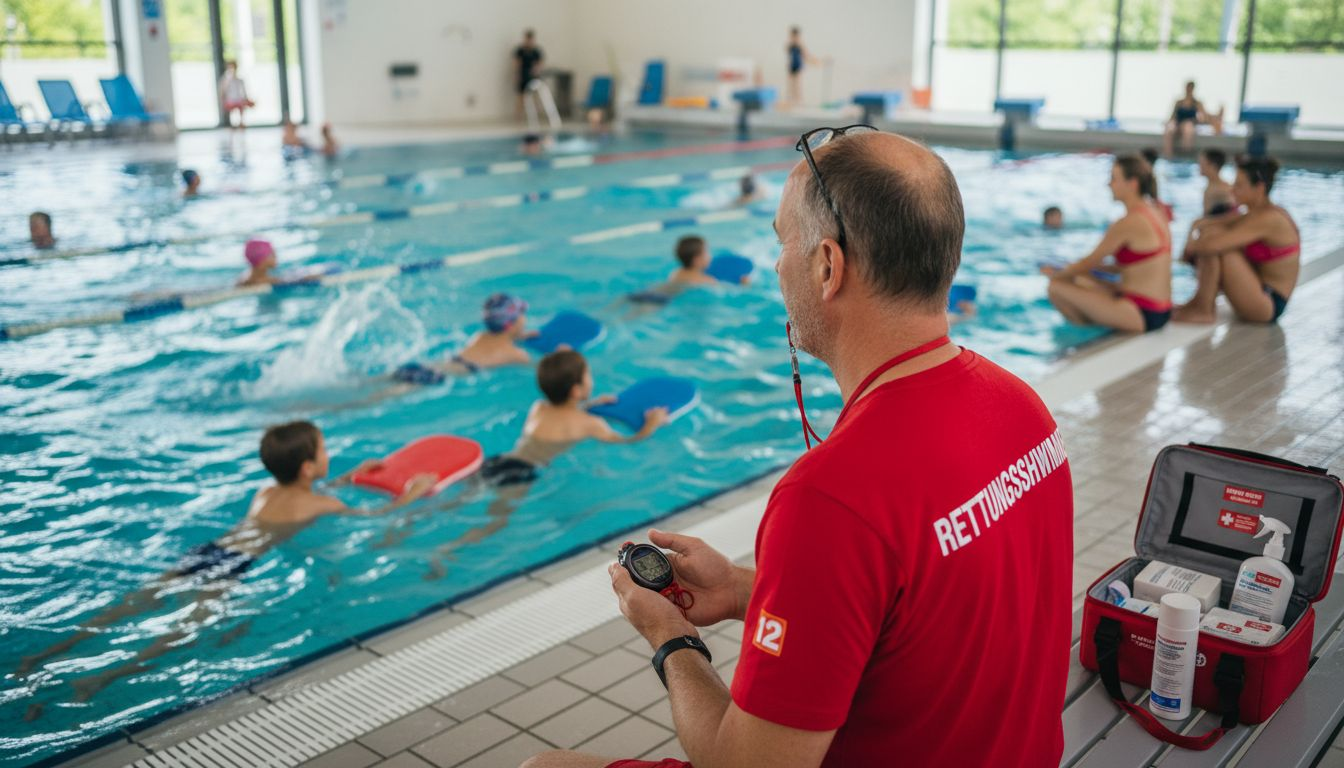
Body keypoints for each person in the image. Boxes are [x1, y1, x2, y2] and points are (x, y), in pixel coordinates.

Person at [522, 127, 1073, 768]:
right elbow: (916, 602)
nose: (778, 264)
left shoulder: (832, 496)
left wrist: (670, 638)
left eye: (784, 241)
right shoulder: (1021, 407)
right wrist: (740, 588)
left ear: (827, 266)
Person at [15, 421, 435, 701]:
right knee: (182, 631)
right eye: (325, 450)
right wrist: (413, 491)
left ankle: (46, 655)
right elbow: (376, 516)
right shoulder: (321, 503)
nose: (329, 454)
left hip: (208, 551)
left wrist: (352, 474)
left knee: (132, 604)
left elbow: (308, 493)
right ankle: (98, 679)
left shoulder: (266, 492)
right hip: (235, 566)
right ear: (309, 467)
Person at [412, 350, 668, 577]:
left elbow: (564, 415)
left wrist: (589, 405)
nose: (591, 379)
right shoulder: (590, 424)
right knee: (495, 522)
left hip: (499, 461)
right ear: (577, 390)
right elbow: (625, 440)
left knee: (455, 501)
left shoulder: (539, 407)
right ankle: (447, 550)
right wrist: (651, 425)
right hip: (519, 473)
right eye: (587, 376)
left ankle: (414, 519)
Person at [1042, 155, 1173, 333]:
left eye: (1113, 178)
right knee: (1081, 279)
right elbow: (1137, 265)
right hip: (1161, 308)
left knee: (1055, 288)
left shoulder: (1129, 222)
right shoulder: (1156, 212)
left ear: (1132, 184)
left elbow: (1088, 262)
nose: (1109, 184)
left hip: (1143, 314)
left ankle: (1087, 334)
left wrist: (1056, 274)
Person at [1174, 155, 1300, 324]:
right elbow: (1205, 223)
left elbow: (1209, 245)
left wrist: (1190, 247)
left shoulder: (1269, 218)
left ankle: (1203, 310)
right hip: (1259, 292)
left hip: (1268, 304)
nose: (1232, 190)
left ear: (1259, 188)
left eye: (1239, 185)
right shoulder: (1255, 213)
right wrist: (1194, 230)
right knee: (1213, 235)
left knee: (1215, 245)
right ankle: (1197, 304)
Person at [390, 293, 537, 385]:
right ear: (512, 323)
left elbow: (497, 342)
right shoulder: (516, 354)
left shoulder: (479, 336)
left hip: (431, 366)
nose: (524, 318)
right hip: (436, 377)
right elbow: (540, 369)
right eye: (521, 314)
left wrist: (517, 336)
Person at [627, 235, 722, 306]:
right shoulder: (706, 280)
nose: (710, 256)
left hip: (649, 291)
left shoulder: (676, 272)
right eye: (707, 253)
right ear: (697, 260)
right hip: (663, 299)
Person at [1163, 81, 1223, 156]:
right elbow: (1172, 116)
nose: (1188, 90)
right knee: (1169, 130)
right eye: (1187, 87)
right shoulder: (1179, 102)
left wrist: (1217, 115)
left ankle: (1185, 154)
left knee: (1187, 128)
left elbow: (1206, 115)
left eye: (1190, 88)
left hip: (1189, 124)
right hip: (1178, 123)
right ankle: (1168, 155)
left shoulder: (1196, 103)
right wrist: (1168, 123)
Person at [785, 26, 823, 107]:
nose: (794, 38)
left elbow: (806, 56)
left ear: (798, 36)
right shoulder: (790, 45)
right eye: (792, 36)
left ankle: (798, 101)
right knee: (791, 85)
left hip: (798, 66)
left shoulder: (800, 45)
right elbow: (789, 55)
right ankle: (792, 100)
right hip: (791, 66)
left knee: (797, 84)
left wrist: (815, 61)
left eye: (795, 36)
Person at [514, 29, 544, 120]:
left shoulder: (536, 51)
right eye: (527, 39)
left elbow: (540, 63)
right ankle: (519, 117)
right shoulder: (520, 50)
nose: (529, 41)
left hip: (533, 76)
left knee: (535, 96)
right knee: (521, 97)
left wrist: (537, 70)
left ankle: (536, 117)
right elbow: (516, 63)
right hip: (523, 75)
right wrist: (517, 75)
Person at [1198, 148, 1236, 216]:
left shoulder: (1224, 189)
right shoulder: (1211, 186)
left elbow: (1234, 212)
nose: (1199, 166)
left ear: (1213, 166)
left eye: (1202, 163)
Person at [218, 60, 254, 130]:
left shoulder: (240, 80)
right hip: (230, 100)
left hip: (239, 100)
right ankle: (233, 124)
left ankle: (241, 123)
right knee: (235, 107)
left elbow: (244, 93)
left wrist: (246, 99)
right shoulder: (225, 80)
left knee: (242, 105)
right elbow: (223, 92)